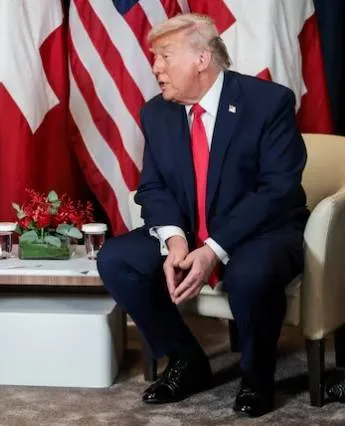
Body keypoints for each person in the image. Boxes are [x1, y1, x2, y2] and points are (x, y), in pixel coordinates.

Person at [97, 14, 308, 418]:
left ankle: (257, 377)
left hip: (259, 231)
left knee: (251, 274)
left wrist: (213, 249)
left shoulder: (268, 102)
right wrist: (175, 239)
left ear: (202, 59)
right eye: (155, 57)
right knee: (117, 259)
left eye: (165, 56)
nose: (155, 67)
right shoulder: (157, 113)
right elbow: (153, 188)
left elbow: (277, 190)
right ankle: (185, 359)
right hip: (191, 229)